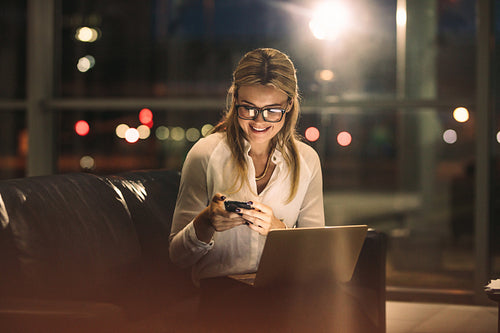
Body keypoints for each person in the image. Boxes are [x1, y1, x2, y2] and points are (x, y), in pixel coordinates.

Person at [169, 48, 324, 285]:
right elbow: (178, 257)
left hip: (283, 291)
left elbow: (318, 256)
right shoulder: (205, 154)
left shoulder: (307, 161)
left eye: (272, 110)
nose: (258, 120)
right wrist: (206, 221)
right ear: (235, 100)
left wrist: (279, 232)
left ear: (289, 105)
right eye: (248, 108)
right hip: (220, 294)